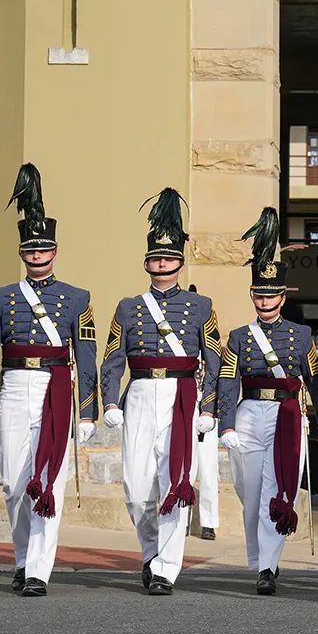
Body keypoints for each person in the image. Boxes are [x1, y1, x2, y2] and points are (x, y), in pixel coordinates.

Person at [0, 163, 98, 597]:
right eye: (30, 250)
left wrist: (88, 410)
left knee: (50, 479)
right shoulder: (2, 297)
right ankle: (22, 558)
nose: (37, 256)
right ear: (22, 252)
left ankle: (39, 570)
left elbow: (86, 354)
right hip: (15, 387)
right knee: (13, 481)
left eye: (44, 250)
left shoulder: (78, 298)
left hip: (57, 389)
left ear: (54, 251)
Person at [99, 189, 220, 595]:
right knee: (136, 488)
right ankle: (150, 552)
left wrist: (210, 405)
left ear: (180, 263)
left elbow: (216, 358)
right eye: (155, 258)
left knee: (175, 482)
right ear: (147, 263)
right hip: (140, 393)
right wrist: (109, 400)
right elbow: (113, 356)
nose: (162, 263)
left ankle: (166, 568)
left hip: (182, 395)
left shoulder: (201, 305)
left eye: (168, 258)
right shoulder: (129, 306)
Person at [216, 207, 318, 595]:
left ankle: (267, 565)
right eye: (259, 295)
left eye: (272, 295)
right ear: (253, 295)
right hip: (249, 412)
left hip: (287, 413)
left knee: (277, 487)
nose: (265, 301)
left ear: (283, 297)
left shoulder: (300, 335)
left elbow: (314, 380)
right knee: (248, 489)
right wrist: (226, 423)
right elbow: (228, 379)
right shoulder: (238, 336)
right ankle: (261, 555)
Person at [190, 286, 221, 542]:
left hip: (207, 414)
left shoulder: (211, 353)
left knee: (208, 469)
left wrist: (209, 411)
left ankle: (209, 522)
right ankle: (182, 517)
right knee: (182, 468)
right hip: (183, 409)